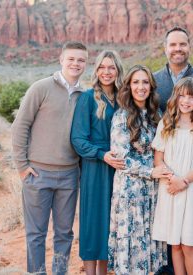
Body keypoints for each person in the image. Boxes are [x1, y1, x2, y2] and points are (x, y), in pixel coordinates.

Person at [11, 41, 88, 274]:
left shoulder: (84, 96)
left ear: (86, 63)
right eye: (71, 59)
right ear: (61, 60)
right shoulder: (41, 88)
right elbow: (20, 125)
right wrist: (22, 166)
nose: (76, 63)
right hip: (38, 173)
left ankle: (60, 271)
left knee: (65, 234)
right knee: (36, 234)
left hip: (68, 175)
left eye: (81, 60)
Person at [153, 26, 193, 275]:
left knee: (191, 241)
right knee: (175, 243)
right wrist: (172, 178)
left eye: (182, 44)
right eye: (173, 44)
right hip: (170, 183)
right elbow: (158, 153)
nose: (178, 49)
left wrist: (187, 179)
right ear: (166, 48)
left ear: (189, 47)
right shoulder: (156, 80)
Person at [108, 65, 170, 275]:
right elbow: (121, 158)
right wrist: (151, 172)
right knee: (132, 240)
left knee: (150, 240)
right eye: (136, 82)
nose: (141, 87)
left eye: (145, 82)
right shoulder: (121, 116)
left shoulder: (156, 114)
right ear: (128, 86)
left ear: (151, 87)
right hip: (130, 189)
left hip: (153, 190)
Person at [70, 50, 124, 275]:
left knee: (112, 223)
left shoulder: (124, 99)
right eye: (102, 67)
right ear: (96, 70)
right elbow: (78, 139)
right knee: (93, 220)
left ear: (118, 70)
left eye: (111, 67)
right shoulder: (88, 97)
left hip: (120, 169)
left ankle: (105, 271)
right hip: (95, 167)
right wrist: (102, 155)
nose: (106, 72)